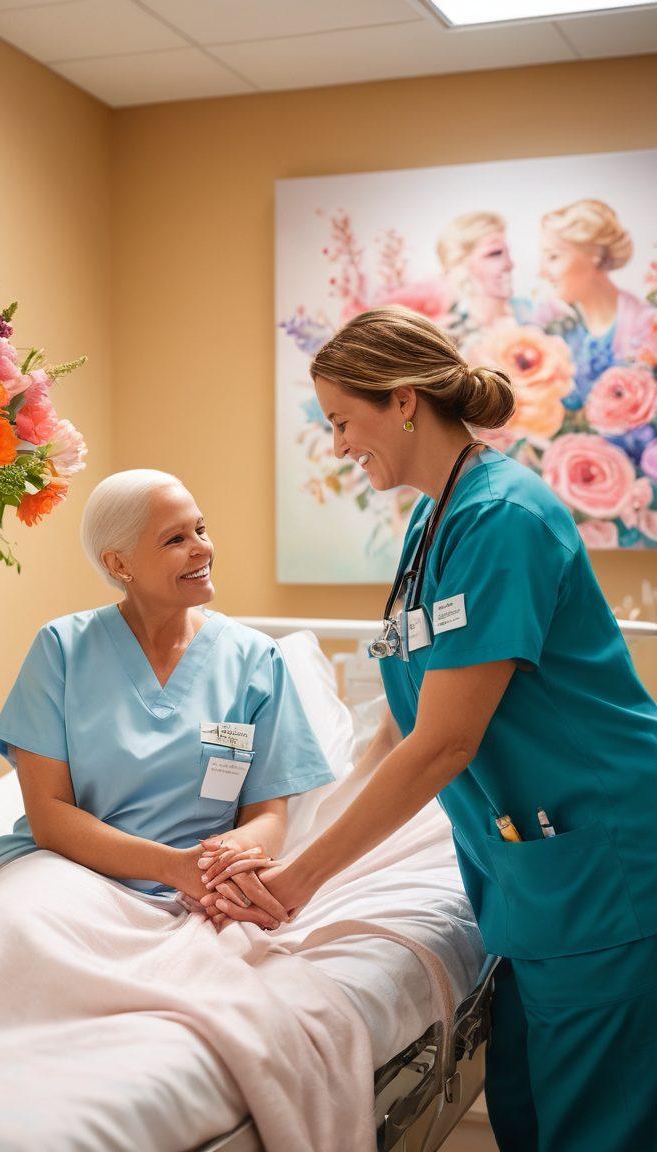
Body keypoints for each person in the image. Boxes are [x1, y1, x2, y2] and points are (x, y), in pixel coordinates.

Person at [201, 307, 657, 1151]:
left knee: (596, 1125)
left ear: (403, 401)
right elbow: (398, 727)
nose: (337, 445)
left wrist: (299, 886)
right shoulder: (431, 521)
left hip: (606, 862)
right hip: (532, 873)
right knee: (529, 1108)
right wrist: (293, 843)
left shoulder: (504, 520)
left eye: (343, 420)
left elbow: (446, 743)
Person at [0, 469, 335, 930]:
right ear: (120, 564)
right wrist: (170, 866)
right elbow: (49, 816)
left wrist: (217, 865)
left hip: (203, 888)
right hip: (68, 872)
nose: (201, 547)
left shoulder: (254, 658)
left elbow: (267, 815)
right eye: (175, 539)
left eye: (200, 529)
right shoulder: (62, 648)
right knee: (21, 932)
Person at [539, 198, 656, 405]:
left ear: (593, 253)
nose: (543, 272)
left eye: (553, 257)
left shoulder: (645, 324)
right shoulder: (551, 321)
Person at [437, 211, 535, 345]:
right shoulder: (451, 334)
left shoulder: (537, 315)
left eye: (507, 252)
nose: (509, 264)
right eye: (495, 254)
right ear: (461, 263)